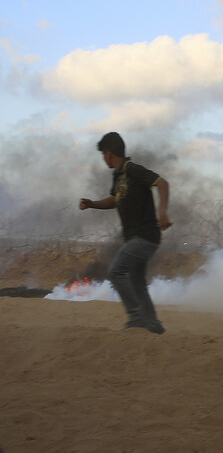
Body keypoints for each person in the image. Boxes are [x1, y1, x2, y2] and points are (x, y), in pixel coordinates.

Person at [79, 132, 172, 334]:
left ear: (109, 153)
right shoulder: (119, 176)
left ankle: (136, 318)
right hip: (135, 237)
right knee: (137, 282)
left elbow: (162, 183)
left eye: (103, 154)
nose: (104, 158)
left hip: (145, 237)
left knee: (115, 272)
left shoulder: (132, 170)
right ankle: (153, 325)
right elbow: (114, 199)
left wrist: (162, 211)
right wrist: (92, 204)